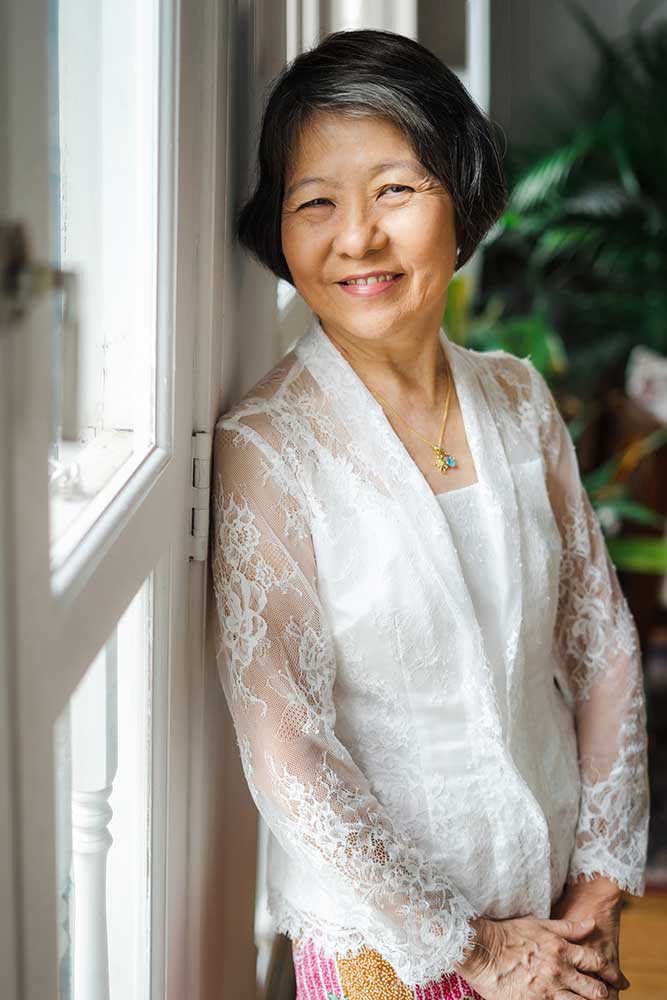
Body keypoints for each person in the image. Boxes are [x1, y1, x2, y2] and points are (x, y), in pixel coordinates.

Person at [210, 28, 649, 1000]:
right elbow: (287, 746)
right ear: (277, 231)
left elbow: (601, 639)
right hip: (386, 945)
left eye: (395, 192)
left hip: (550, 898)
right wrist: (472, 947)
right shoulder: (269, 445)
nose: (356, 237)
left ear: (463, 196)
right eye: (313, 202)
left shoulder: (519, 399)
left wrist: (603, 877)